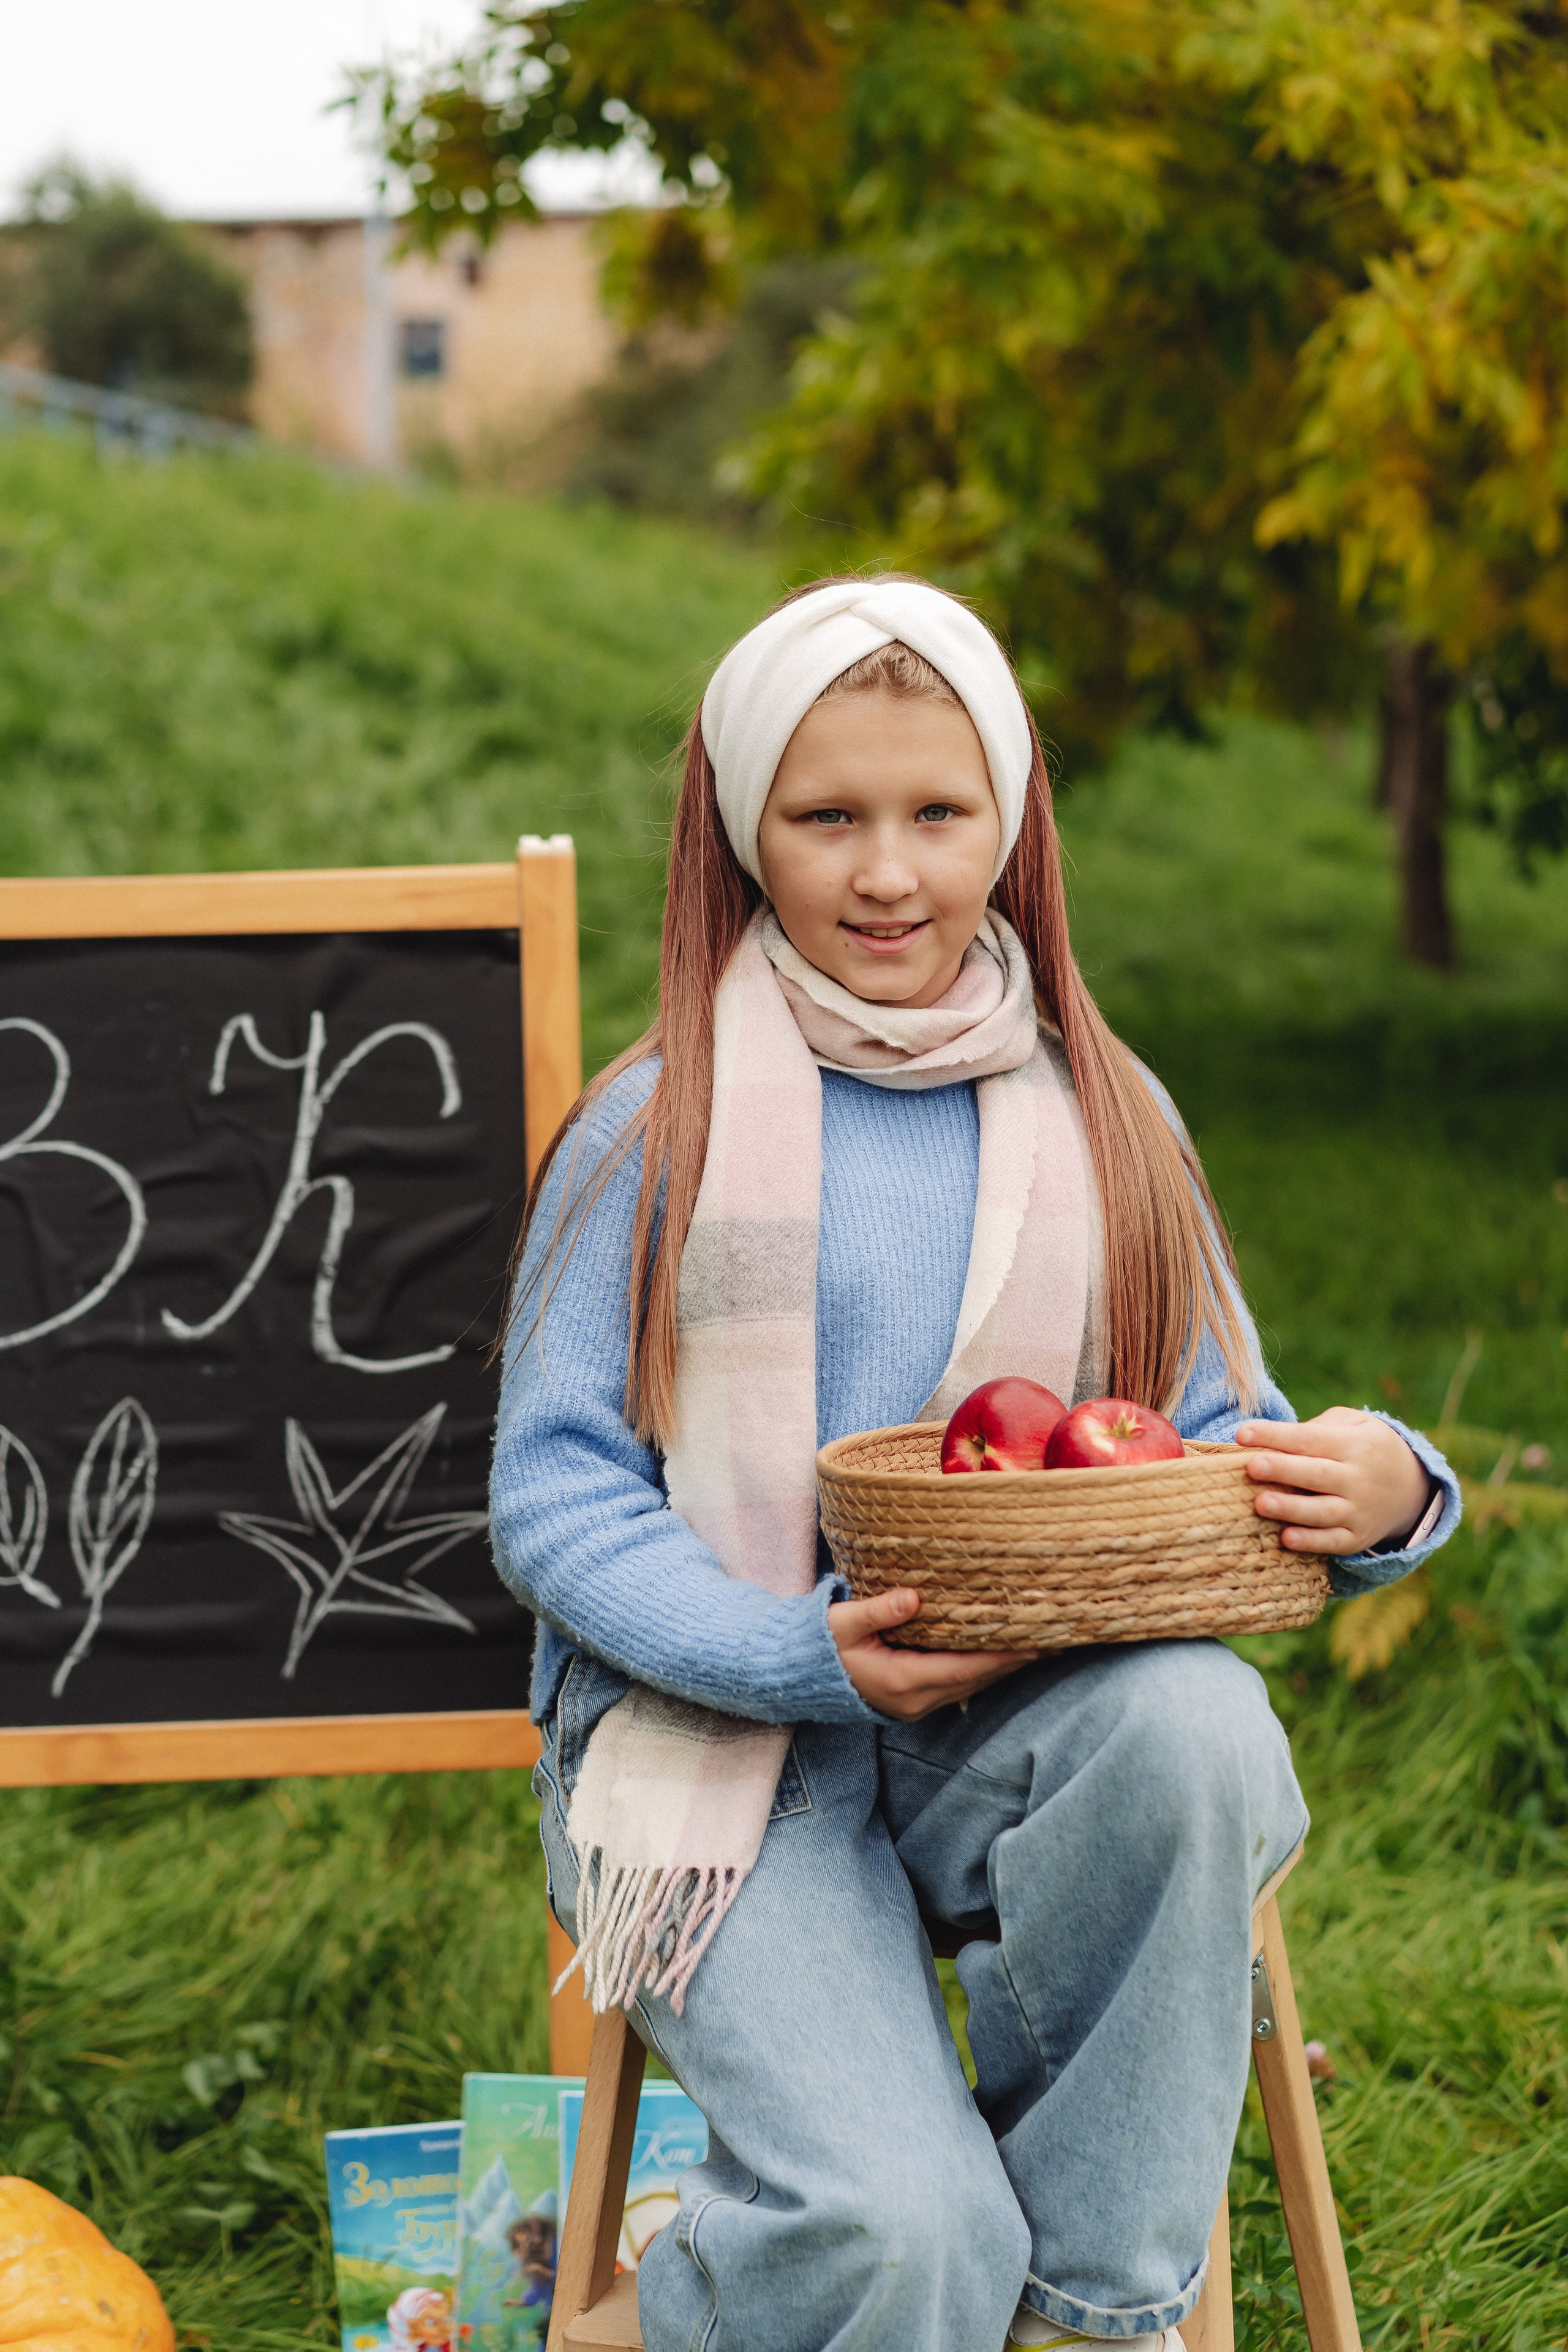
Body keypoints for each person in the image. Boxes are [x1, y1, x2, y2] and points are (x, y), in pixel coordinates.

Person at [492, 576, 1460, 2352]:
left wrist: (1388, 1487)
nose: (888, 873)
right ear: (743, 830)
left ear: (1009, 825)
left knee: (1194, 1723)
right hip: (729, 1749)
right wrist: (793, 1651)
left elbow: (1207, 1442)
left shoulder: (1109, 1119)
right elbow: (553, 1493)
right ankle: (671, 2314)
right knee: (902, 2228)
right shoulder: (656, 1125)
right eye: (827, 818)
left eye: (939, 814)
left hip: (1013, 1725)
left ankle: (1083, 2317)